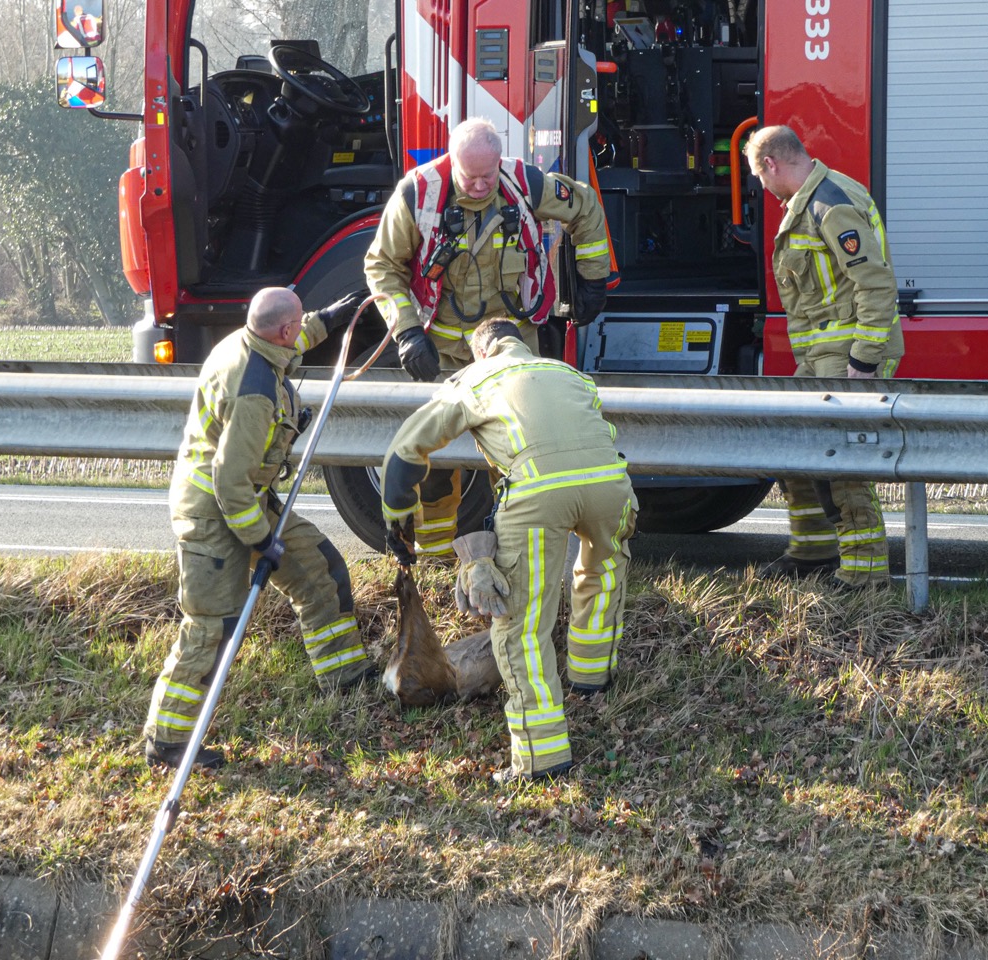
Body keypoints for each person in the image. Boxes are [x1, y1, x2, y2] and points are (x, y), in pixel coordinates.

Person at [379, 318, 638, 783]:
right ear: (521, 343)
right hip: (611, 485)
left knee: (522, 624)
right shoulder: (568, 372)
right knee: (601, 575)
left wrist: (397, 517)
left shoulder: (476, 377)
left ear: (482, 351)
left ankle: (541, 758)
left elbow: (406, 448)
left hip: (538, 491)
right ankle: (590, 679)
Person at [364, 117, 613, 560]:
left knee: (520, 456)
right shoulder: (418, 193)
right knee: (439, 464)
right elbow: (382, 266)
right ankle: (440, 563)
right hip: (441, 351)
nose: (480, 186)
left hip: (510, 347)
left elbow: (586, 208)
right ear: (451, 162)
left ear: (500, 160)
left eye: (488, 175)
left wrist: (592, 279)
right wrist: (405, 333)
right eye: (469, 177)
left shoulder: (525, 184)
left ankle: (515, 557)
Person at [143, 286, 371, 768]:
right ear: (283, 329)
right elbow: (229, 484)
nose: (301, 330)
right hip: (214, 513)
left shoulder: (253, 341)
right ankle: (168, 741)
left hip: (246, 501)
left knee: (316, 567)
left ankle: (345, 676)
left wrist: (331, 317)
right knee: (211, 627)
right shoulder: (254, 392)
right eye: (300, 323)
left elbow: (290, 337)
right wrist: (264, 541)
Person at [745, 125, 904, 591]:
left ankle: (865, 571)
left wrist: (865, 360)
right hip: (821, 353)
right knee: (795, 442)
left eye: (759, 176)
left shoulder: (829, 204)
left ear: (772, 164)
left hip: (849, 353)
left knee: (841, 458)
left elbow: (874, 284)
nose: (763, 188)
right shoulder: (811, 201)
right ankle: (814, 547)